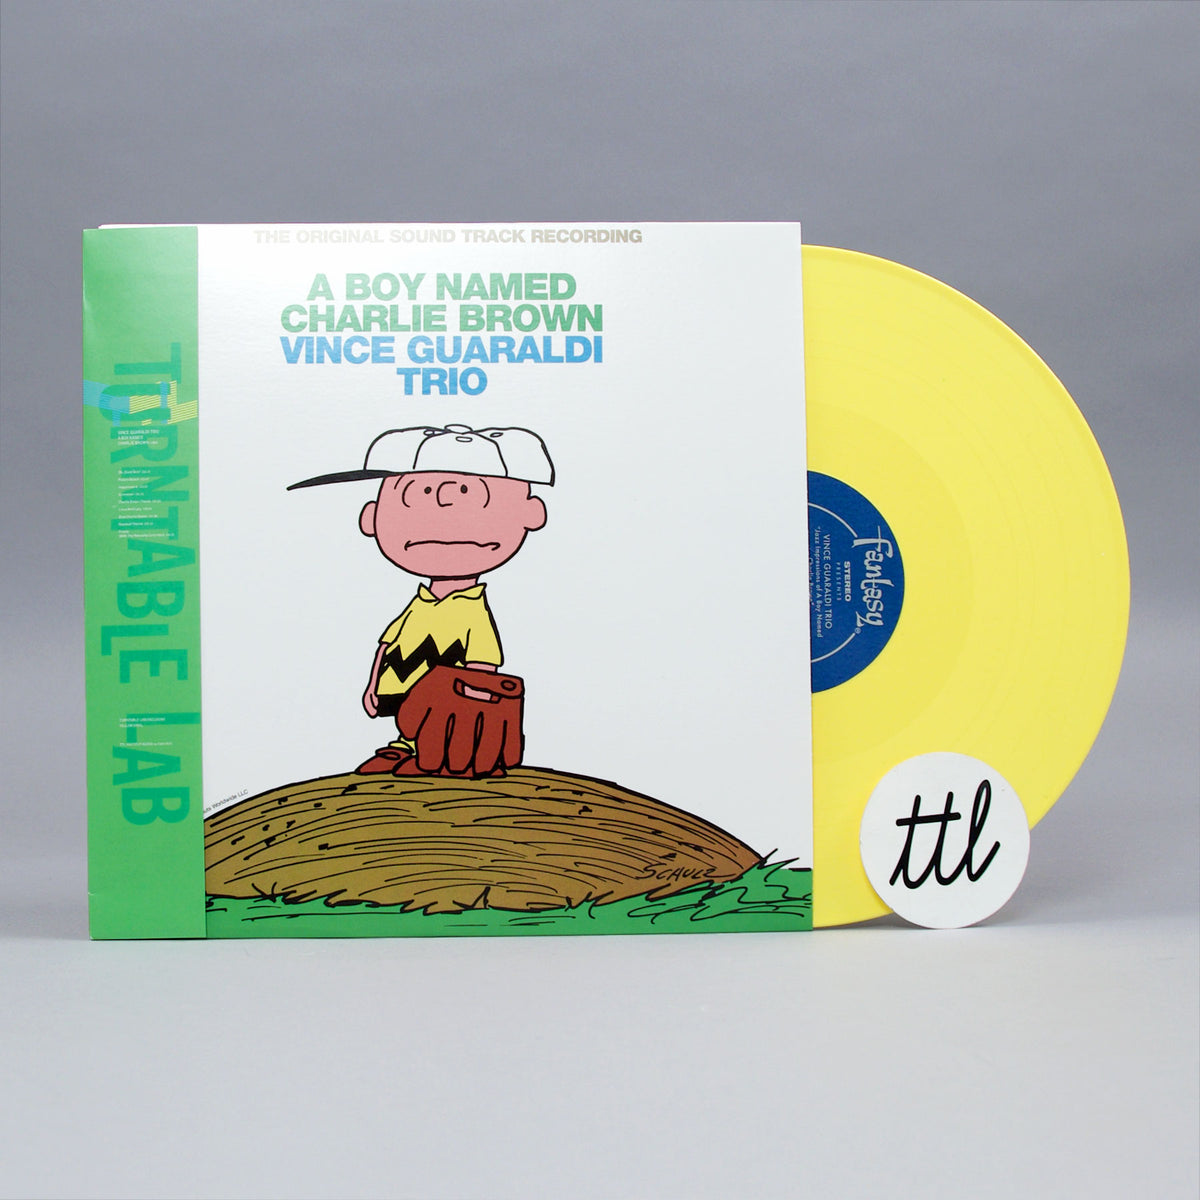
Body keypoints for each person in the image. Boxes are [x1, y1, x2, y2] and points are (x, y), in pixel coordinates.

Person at [289, 424, 553, 777]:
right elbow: (388, 644)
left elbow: (482, 665)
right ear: (371, 518)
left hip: (446, 706)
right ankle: (404, 746)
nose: (444, 507)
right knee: (411, 717)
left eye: (469, 493)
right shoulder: (419, 604)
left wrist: (476, 704)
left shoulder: (472, 610)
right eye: (418, 493)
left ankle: (431, 752)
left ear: (531, 514)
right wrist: (372, 686)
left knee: (433, 719)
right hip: (402, 694)